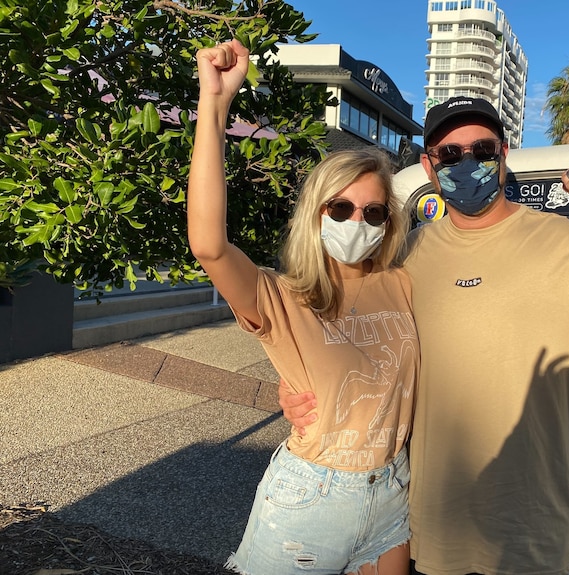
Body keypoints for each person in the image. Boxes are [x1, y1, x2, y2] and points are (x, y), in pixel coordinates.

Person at [281, 96, 569, 575]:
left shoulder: (566, 243)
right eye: (448, 153)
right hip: (428, 531)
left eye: (481, 150)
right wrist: (297, 387)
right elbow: (350, 341)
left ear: (503, 153)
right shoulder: (406, 254)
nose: (467, 163)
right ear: (428, 165)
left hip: (529, 536)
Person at [187, 39, 419, 575]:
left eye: (374, 211)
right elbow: (208, 245)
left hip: (391, 492)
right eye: (340, 207)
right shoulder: (283, 296)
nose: (356, 220)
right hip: (313, 496)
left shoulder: (403, 285)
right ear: (317, 212)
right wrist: (215, 106)